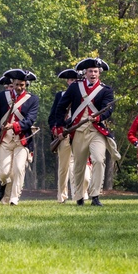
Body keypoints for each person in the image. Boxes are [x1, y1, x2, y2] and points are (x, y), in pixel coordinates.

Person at [49, 57, 115, 207]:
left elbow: (108, 109)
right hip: (77, 130)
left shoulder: (106, 90)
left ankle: (95, 195)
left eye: (96, 71)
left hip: (96, 130)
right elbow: (61, 107)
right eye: (90, 71)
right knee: (78, 165)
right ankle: (79, 196)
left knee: (99, 160)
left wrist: (98, 117)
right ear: (85, 72)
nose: (93, 74)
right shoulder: (75, 87)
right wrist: (59, 127)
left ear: (99, 73)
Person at [0, 69, 39, 206]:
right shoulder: (3, 97)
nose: (19, 87)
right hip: (4, 140)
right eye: (17, 84)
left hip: (22, 141)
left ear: (26, 85)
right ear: (12, 84)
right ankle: (2, 183)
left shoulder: (33, 99)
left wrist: (15, 126)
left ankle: (14, 198)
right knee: (4, 172)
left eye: (22, 85)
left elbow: (30, 120)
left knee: (19, 168)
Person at [48, 68, 80, 203]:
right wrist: (56, 129)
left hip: (78, 132)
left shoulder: (82, 95)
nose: (73, 82)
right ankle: (62, 196)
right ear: (67, 81)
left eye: (76, 80)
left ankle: (79, 194)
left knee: (78, 165)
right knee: (63, 167)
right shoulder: (60, 95)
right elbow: (53, 116)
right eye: (71, 80)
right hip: (63, 133)